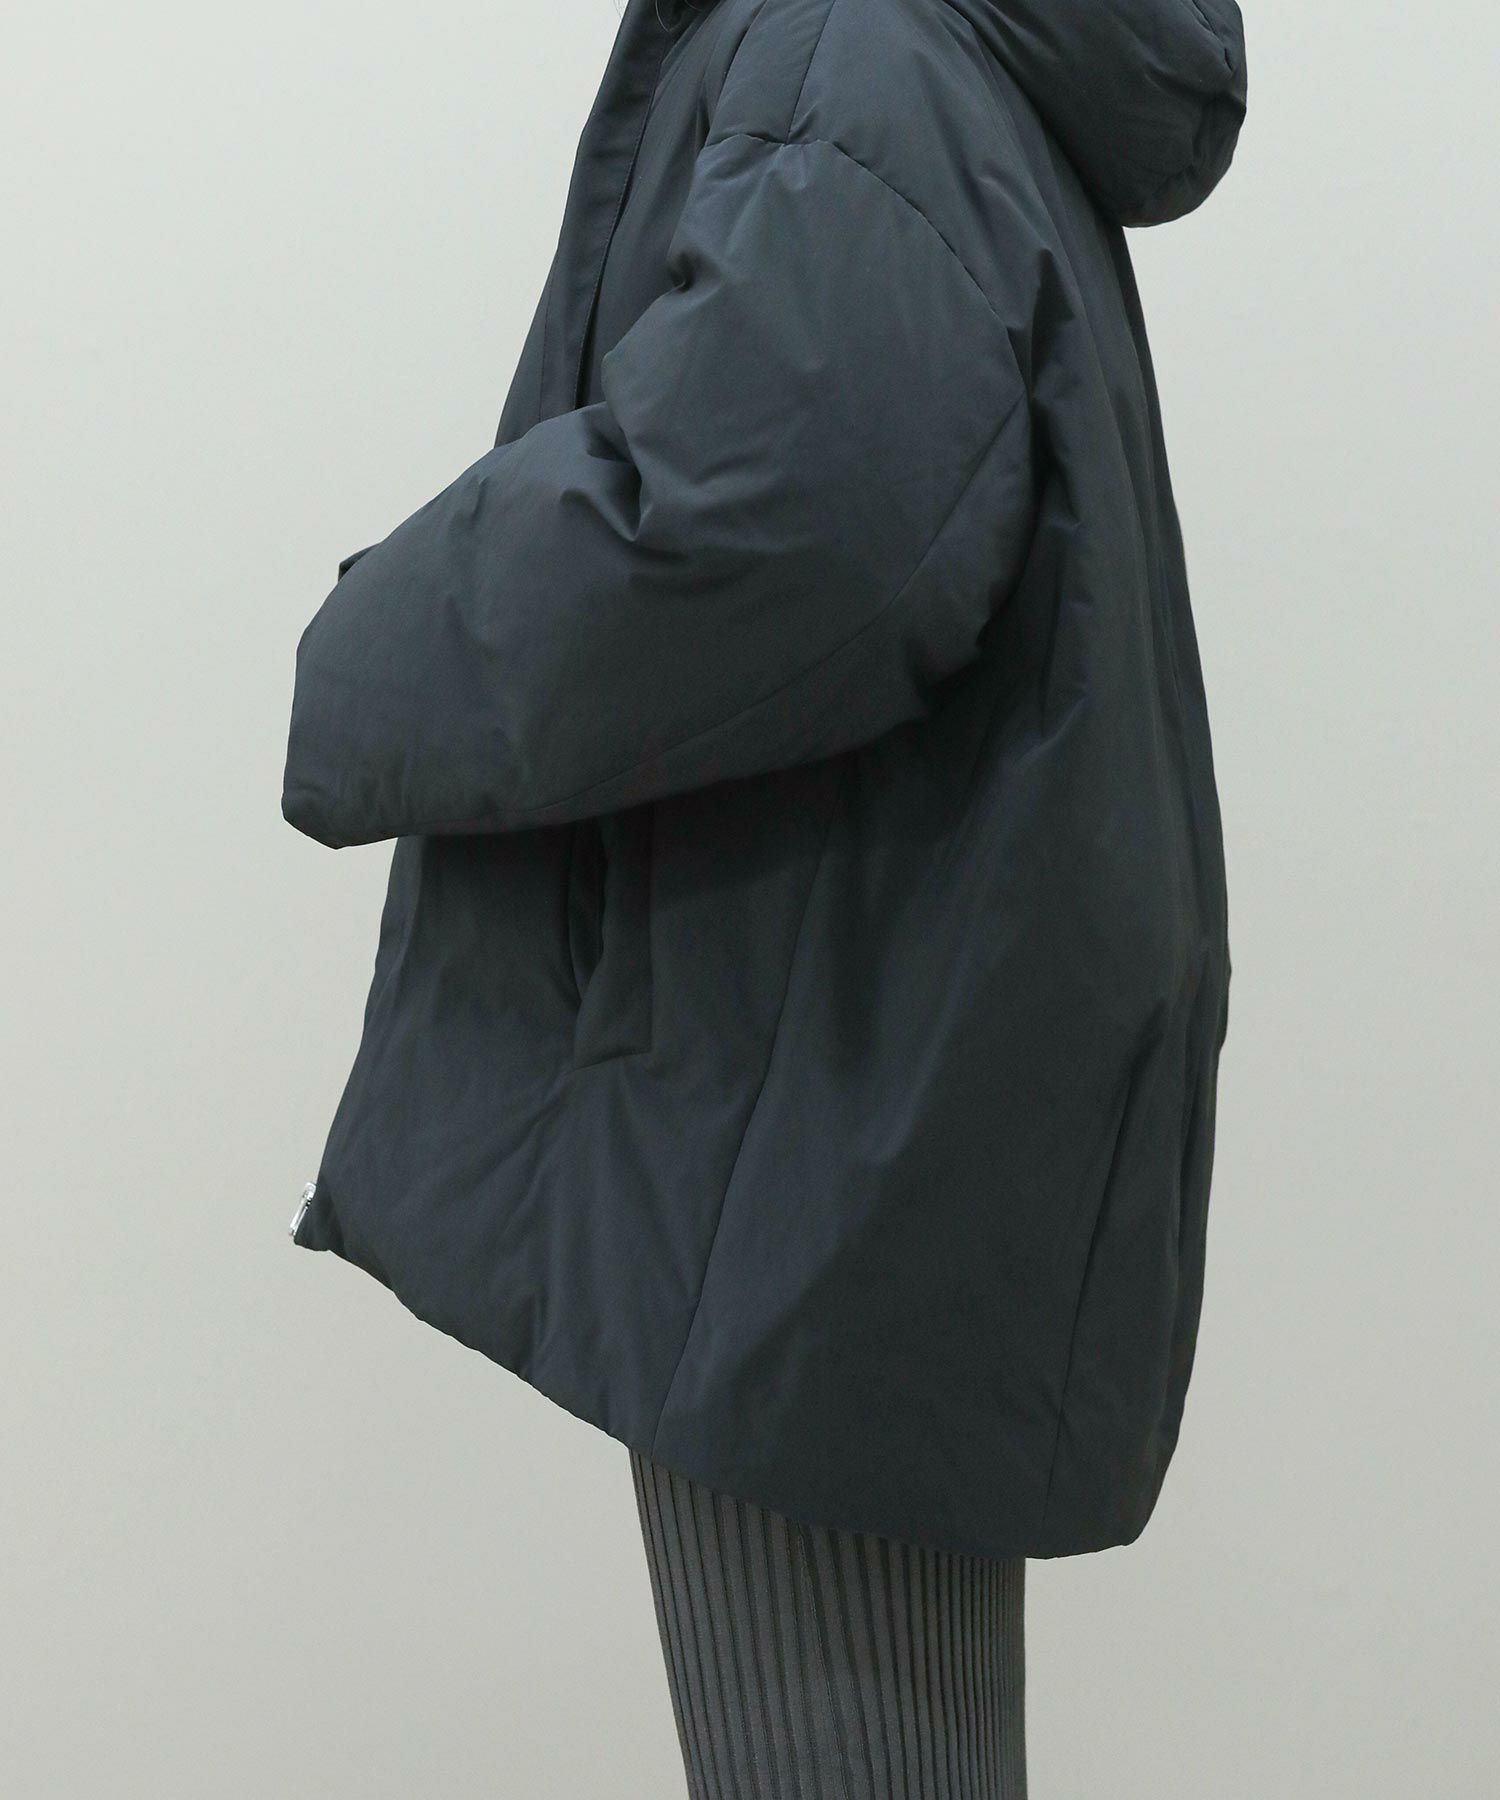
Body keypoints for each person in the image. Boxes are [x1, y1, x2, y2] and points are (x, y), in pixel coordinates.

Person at [280, 0, 1247, 1791]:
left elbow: (776, 521)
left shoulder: (850, 47)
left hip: (804, 1111)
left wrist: (362, 662)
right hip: (867, 1069)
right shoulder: (917, 49)